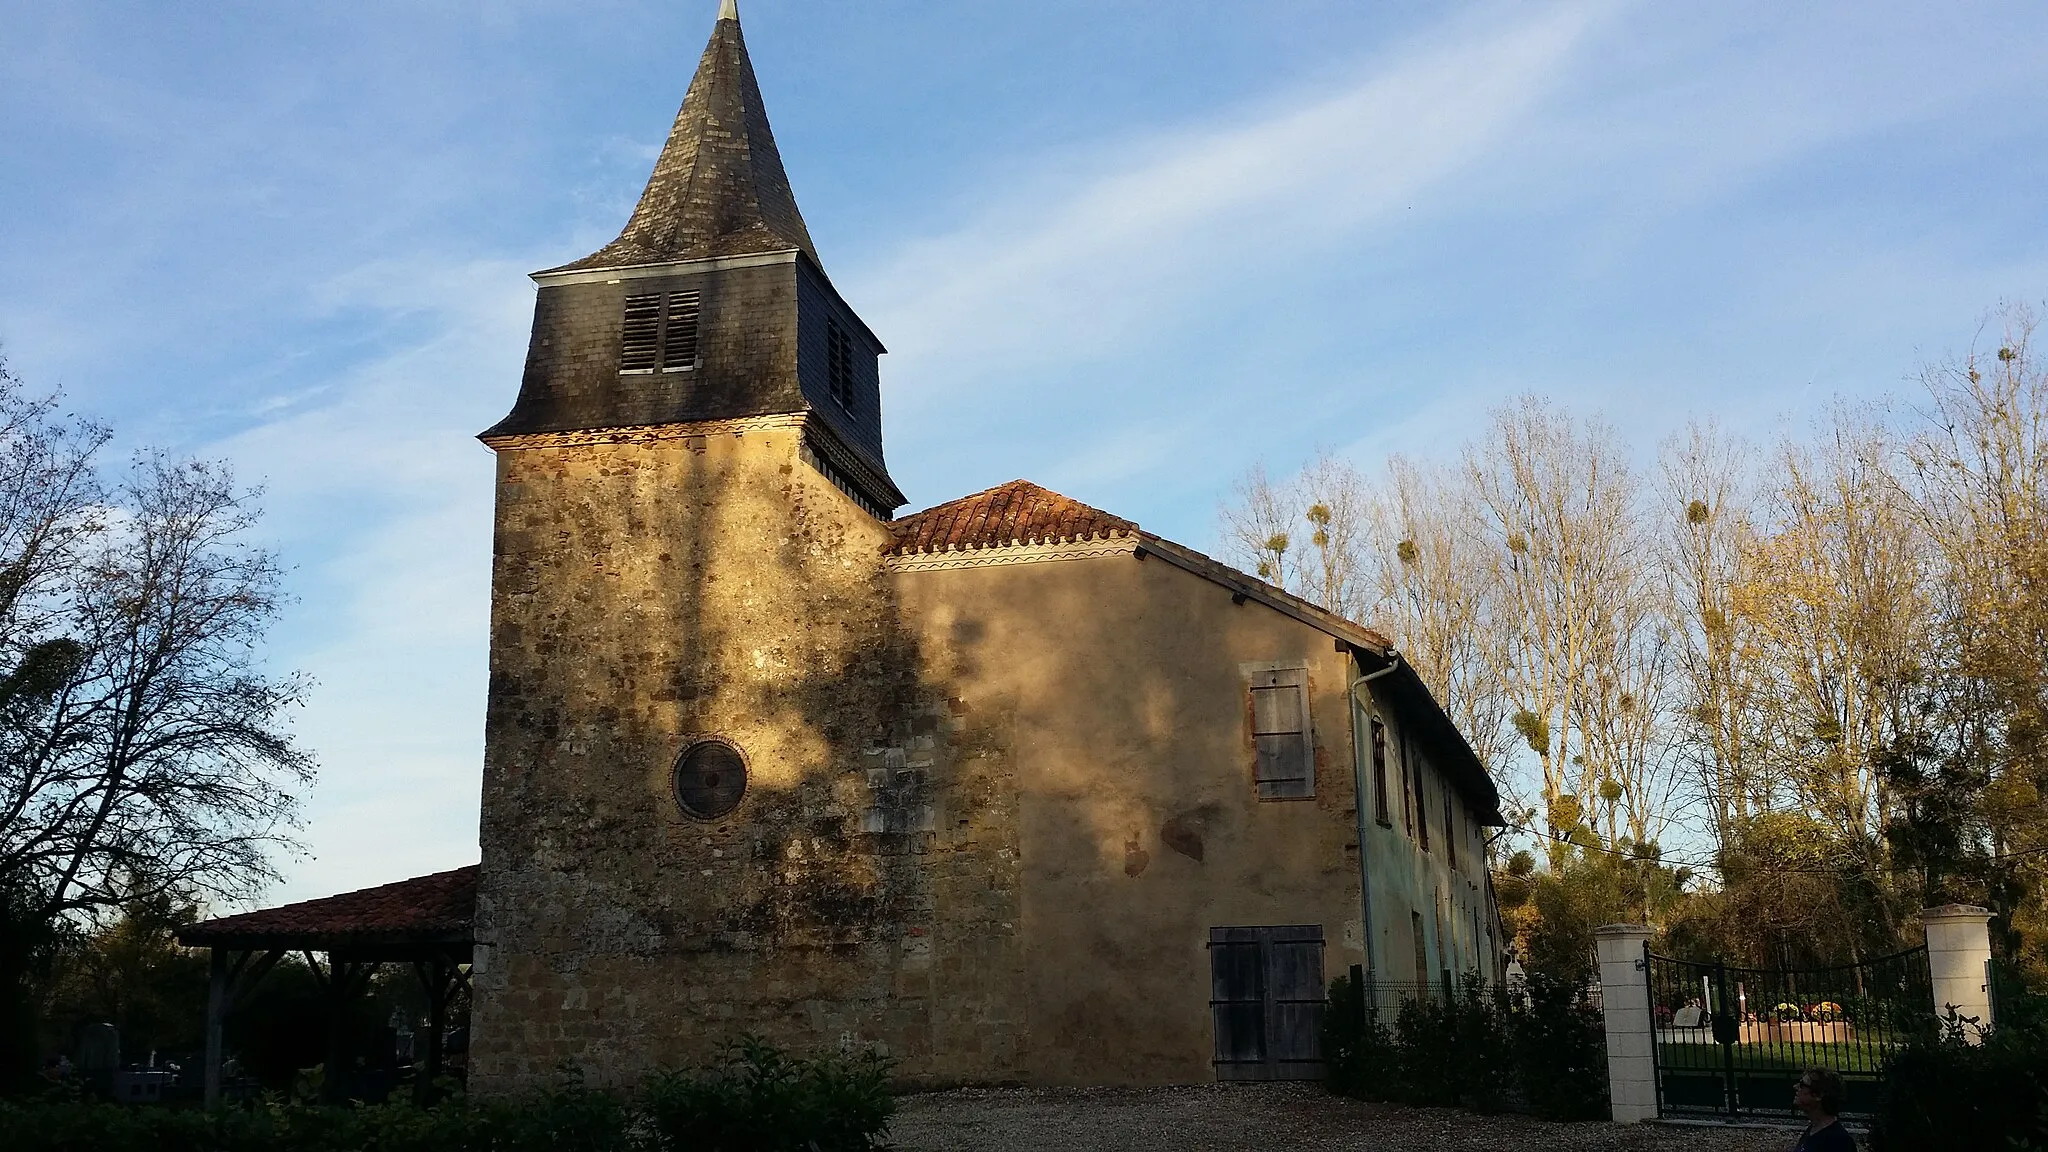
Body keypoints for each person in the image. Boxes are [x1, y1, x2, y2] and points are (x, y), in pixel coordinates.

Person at [1793, 1068, 1856, 1152]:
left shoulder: (1838, 1141)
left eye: (1802, 1085)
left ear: (1819, 1095)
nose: (1795, 1087)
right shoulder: (1814, 1130)